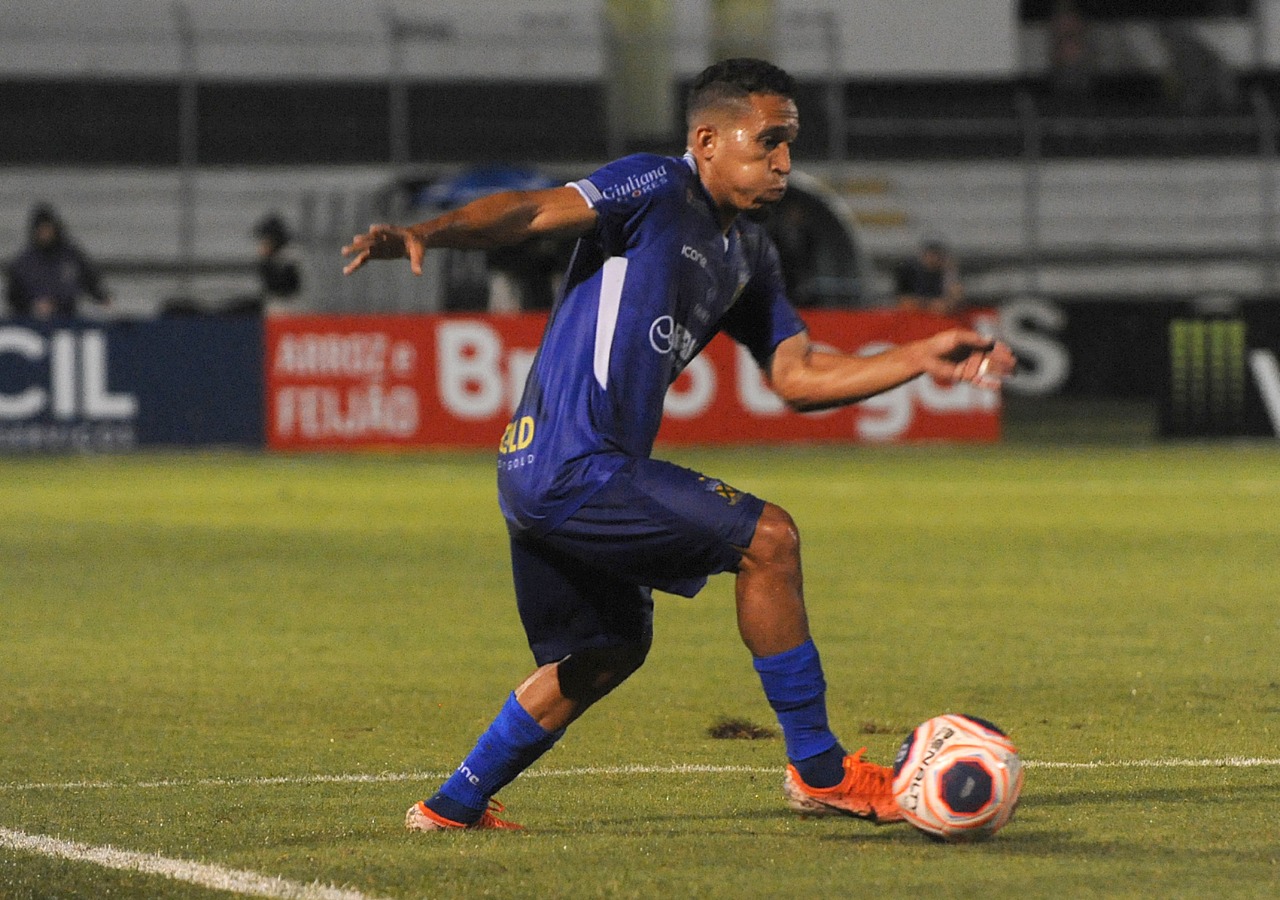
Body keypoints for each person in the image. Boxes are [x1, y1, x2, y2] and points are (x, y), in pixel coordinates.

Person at [343, 58, 1015, 832]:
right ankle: (821, 772)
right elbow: (531, 211)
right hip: (574, 463)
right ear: (705, 138)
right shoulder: (656, 187)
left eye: (790, 144)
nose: (785, 164)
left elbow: (796, 377)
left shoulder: (749, 255)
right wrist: (427, 232)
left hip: (546, 471)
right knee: (770, 539)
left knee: (607, 651)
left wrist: (917, 358)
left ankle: (452, 804)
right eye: (768, 143)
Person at [5, 203, 110, 319]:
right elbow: (13, 297)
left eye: (47, 229)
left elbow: (90, 280)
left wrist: (102, 298)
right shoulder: (23, 263)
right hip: (33, 322)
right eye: (41, 230)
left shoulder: (71, 256)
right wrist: (32, 306)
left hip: (68, 319)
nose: (45, 234)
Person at [894, 238, 965, 316]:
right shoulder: (909, 271)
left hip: (938, 313)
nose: (933, 260)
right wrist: (928, 304)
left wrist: (951, 273)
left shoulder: (945, 272)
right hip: (915, 311)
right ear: (923, 256)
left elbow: (956, 297)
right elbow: (903, 300)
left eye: (937, 256)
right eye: (930, 256)